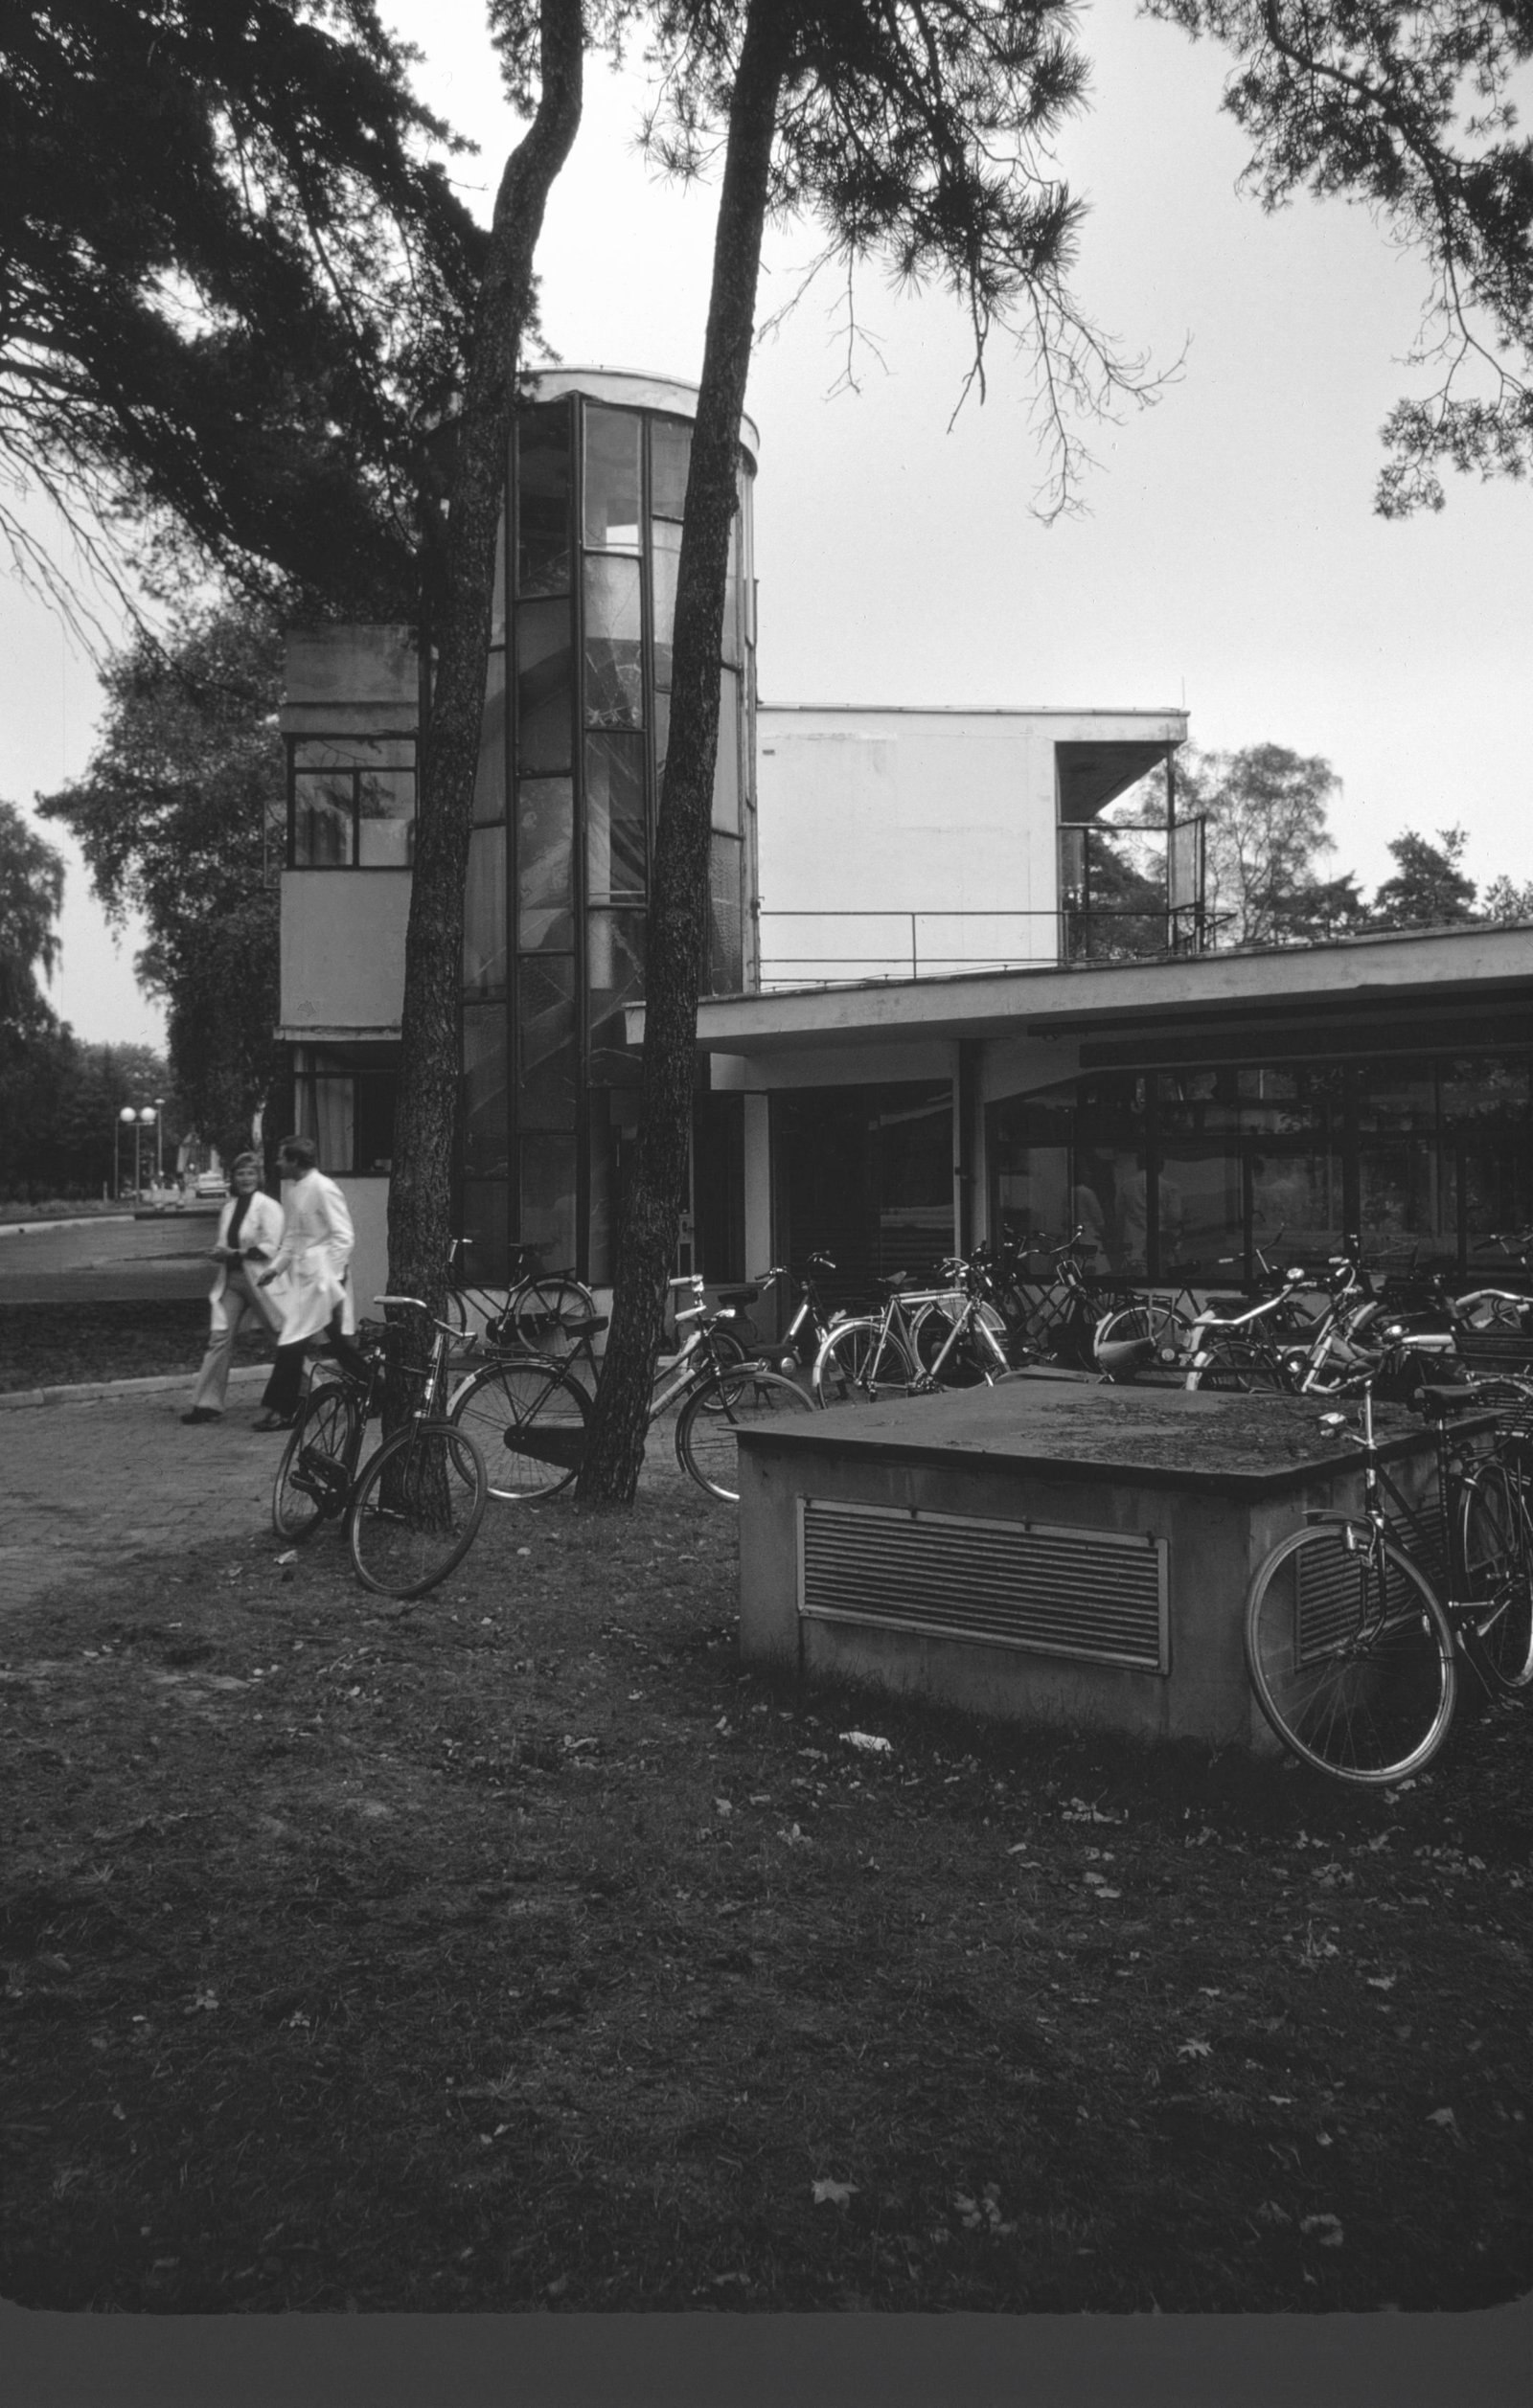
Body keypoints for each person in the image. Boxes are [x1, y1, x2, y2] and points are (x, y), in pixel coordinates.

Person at [252, 1135, 372, 1430]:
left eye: (282, 1158)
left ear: (295, 1161)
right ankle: (378, 1393)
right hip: (309, 1281)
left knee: (292, 1341)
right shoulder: (296, 1190)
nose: (278, 1163)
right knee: (337, 1345)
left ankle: (283, 1409)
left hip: (323, 1280)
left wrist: (331, 1277)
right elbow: (294, 1237)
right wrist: (275, 1269)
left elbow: (344, 1236)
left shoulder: (323, 1188)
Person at [180, 1154, 286, 1424]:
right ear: (233, 1178)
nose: (245, 1179)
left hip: (261, 1281)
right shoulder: (229, 1208)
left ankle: (311, 1390)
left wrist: (234, 1253)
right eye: (240, 1174)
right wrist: (219, 1253)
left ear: (259, 1177)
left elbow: (270, 1247)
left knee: (281, 1337)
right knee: (219, 1338)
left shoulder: (269, 1206)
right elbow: (225, 1244)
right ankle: (207, 1403)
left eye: (250, 1173)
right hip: (232, 1281)